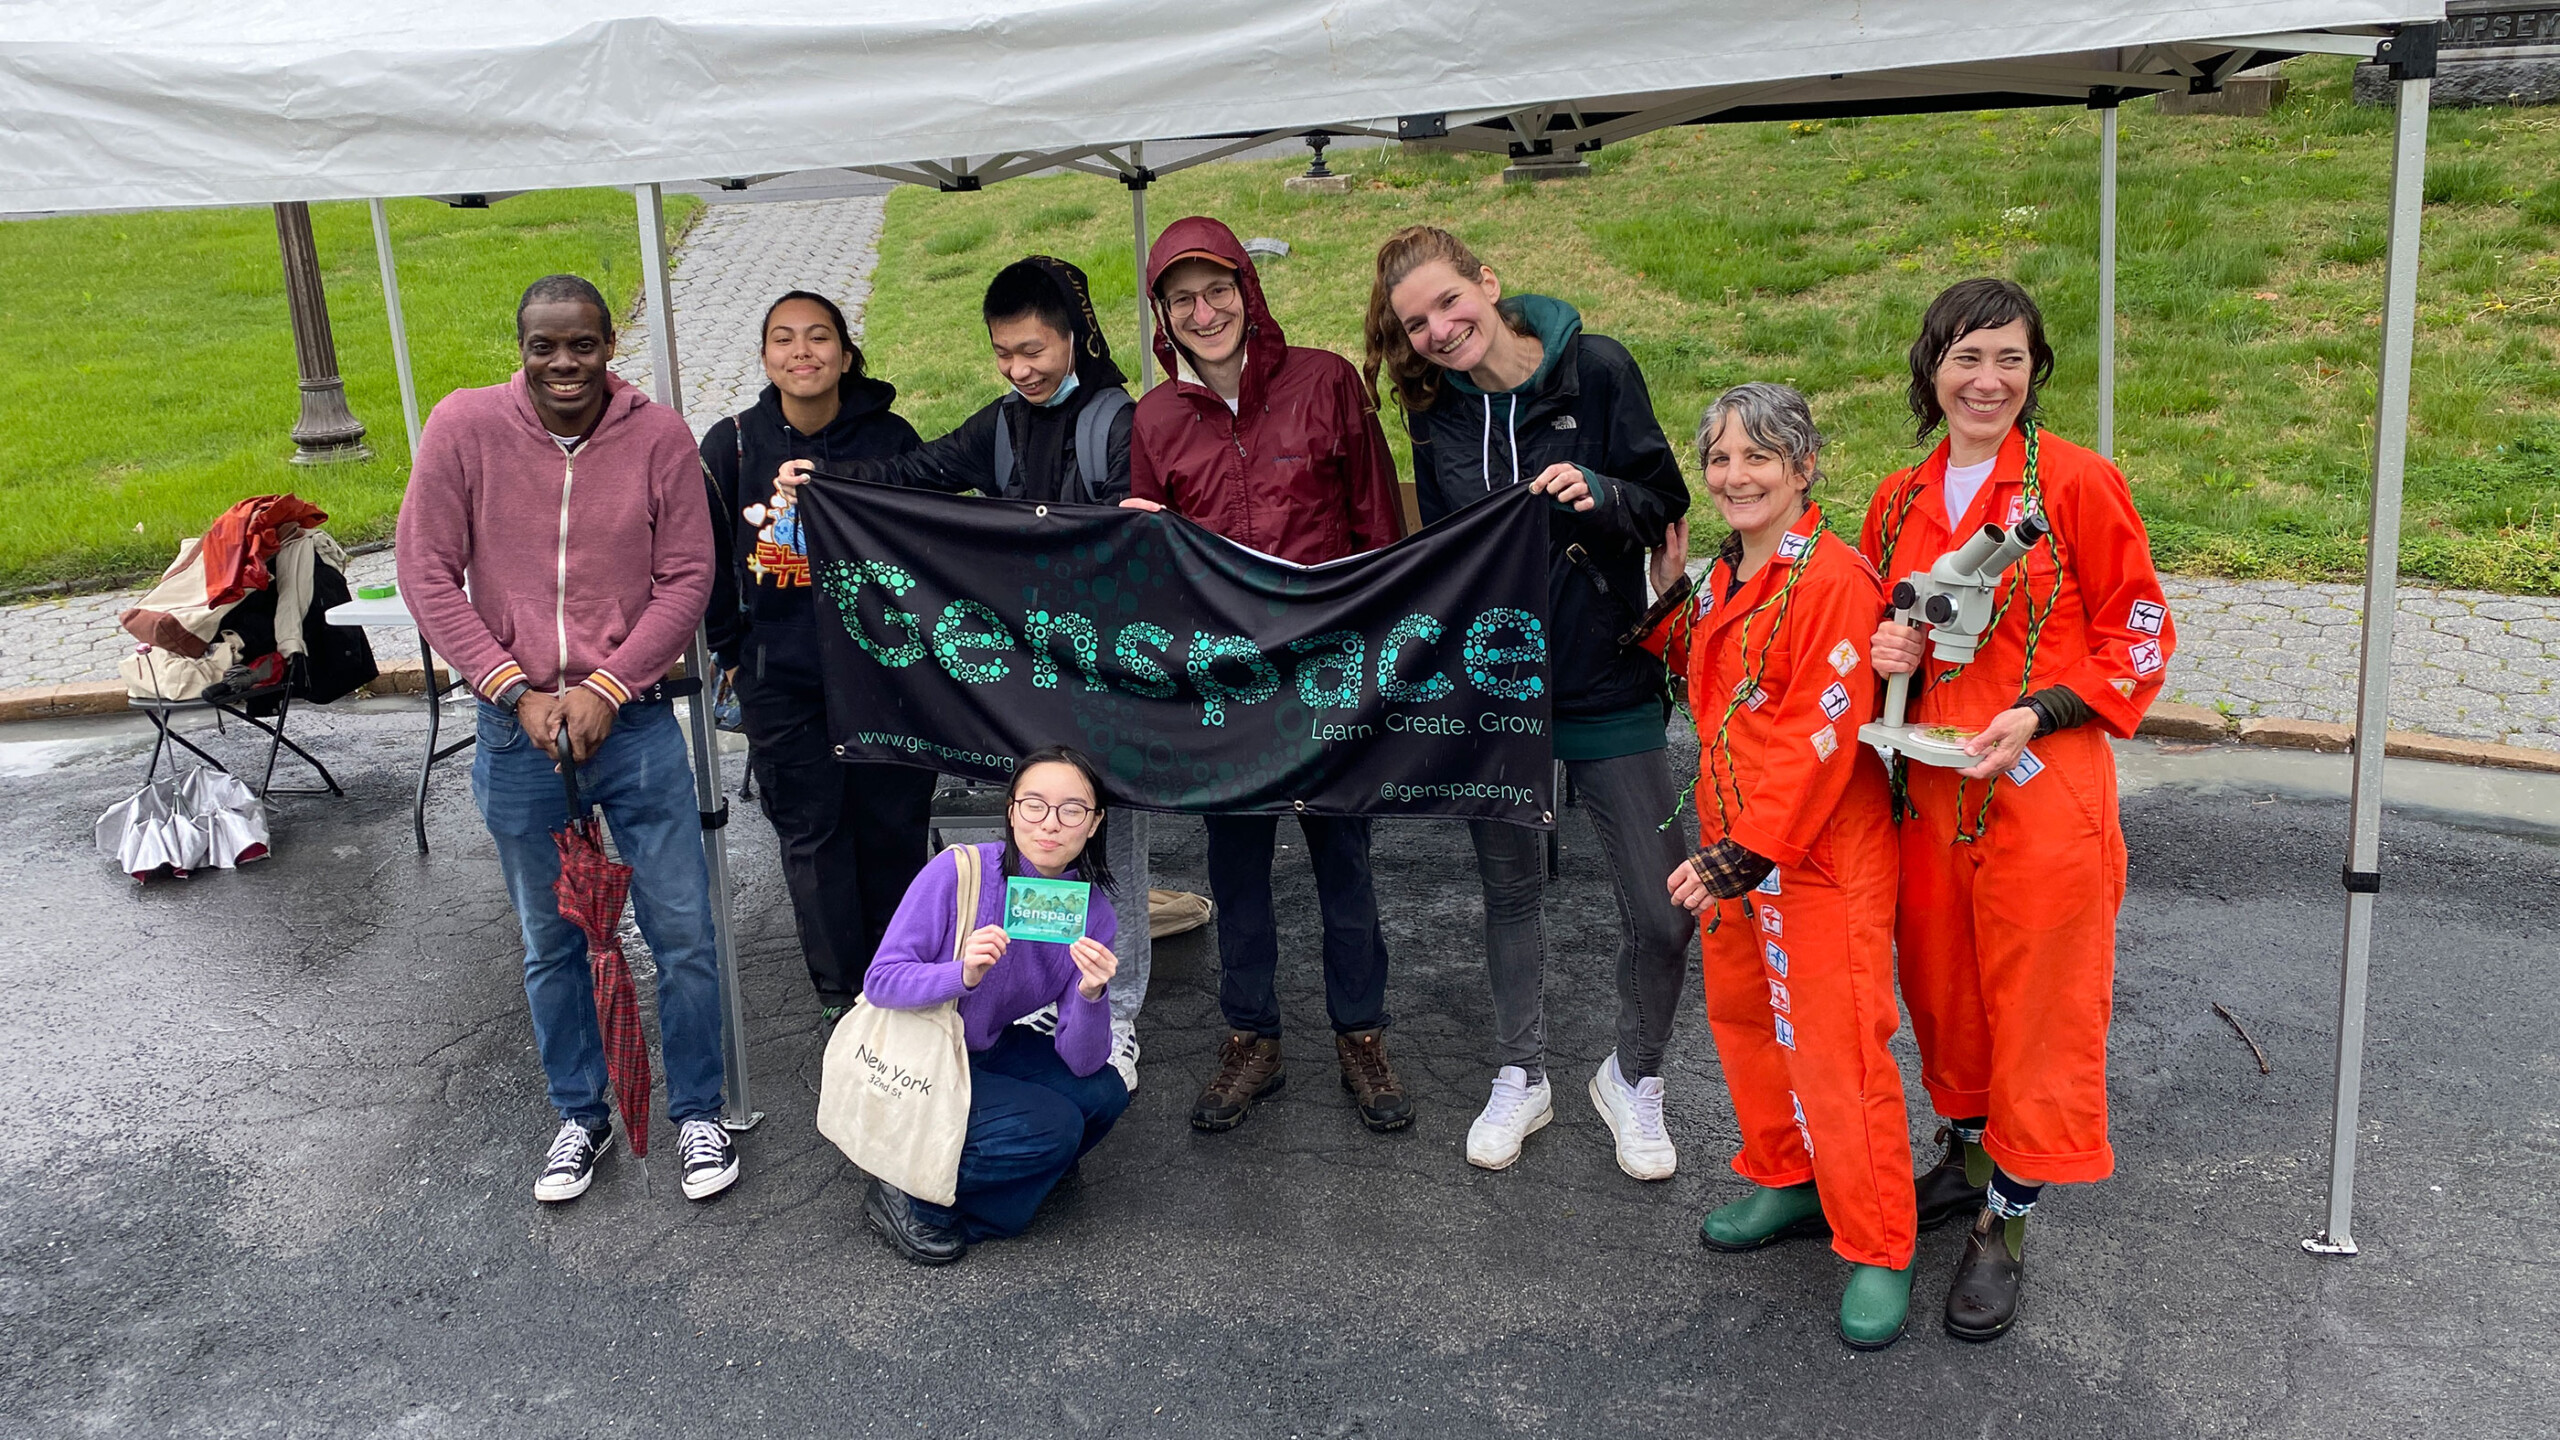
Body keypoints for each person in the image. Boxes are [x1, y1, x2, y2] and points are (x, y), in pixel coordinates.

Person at [1857, 278, 2175, 1342]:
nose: (1984, 379)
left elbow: (2137, 632)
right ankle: (1967, 1152)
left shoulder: (2077, 484)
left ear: (2034, 370)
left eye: (2006, 358)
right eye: (1963, 357)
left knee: (2039, 1003)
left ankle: (2010, 1218)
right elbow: (1882, 627)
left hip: (2044, 788)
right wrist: (1886, 651)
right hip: (1930, 786)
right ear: (1929, 371)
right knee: (1944, 989)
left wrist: (2038, 712)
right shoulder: (1899, 500)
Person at [396, 274, 739, 1206]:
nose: (563, 364)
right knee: (552, 942)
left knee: (683, 932)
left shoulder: (658, 436)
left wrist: (609, 684)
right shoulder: (462, 428)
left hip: (630, 729)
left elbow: (688, 576)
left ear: (608, 345)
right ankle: (579, 1119)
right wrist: (510, 687)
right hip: (517, 734)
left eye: (581, 344)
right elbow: (425, 572)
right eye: (544, 346)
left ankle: (698, 1113)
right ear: (521, 347)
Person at [1362, 225, 1694, 1177]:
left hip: (1606, 675)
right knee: (1509, 894)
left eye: (1447, 304)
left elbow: (1664, 504)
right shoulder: (1435, 411)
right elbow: (1449, 552)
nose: (1436, 329)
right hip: (1499, 690)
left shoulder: (1596, 368)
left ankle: (1634, 1076)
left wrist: (1595, 491)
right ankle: (1522, 1073)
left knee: (1665, 909)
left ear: (1488, 283)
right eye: (1414, 323)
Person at [776, 257, 1153, 1093]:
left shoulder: (1121, 424)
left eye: (1034, 350)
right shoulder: (1004, 424)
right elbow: (918, 475)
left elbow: (1158, 532)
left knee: (1107, 833)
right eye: (1003, 355)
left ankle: (1115, 1006)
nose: (1019, 370)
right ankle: (1046, 988)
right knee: (1039, 829)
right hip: (1031, 679)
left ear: (1075, 339)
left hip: (1106, 679)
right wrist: (826, 481)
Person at [1638, 383, 1916, 1350]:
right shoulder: (1729, 571)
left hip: (1811, 853)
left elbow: (1818, 731)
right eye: (1719, 458)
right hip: (1734, 847)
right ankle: (1785, 1176)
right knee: (1747, 1023)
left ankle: (1880, 1243)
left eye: (1759, 456)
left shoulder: (1833, 577)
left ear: (1805, 466)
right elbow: (1712, 672)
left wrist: (1749, 853)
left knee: (1836, 1049)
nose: (1735, 476)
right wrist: (1669, 595)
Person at [1121, 215, 1411, 1134]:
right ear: (1163, 317)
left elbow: (1377, 527)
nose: (1204, 312)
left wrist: (1380, 659)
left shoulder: (1325, 381)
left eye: (1218, 291)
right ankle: (1252, 1038)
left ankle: (1361, 1035)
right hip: (1227, 689)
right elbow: (1154, 562)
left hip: (1330, 674)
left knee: (1344, 860)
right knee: (1235, 862)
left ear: (1248, 290)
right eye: (1182, 299)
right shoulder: (1156, 418)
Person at [701, 290, 937, 1026]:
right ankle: (844, 997)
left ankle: (902, 981)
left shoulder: (891, 437)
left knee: (893, 828)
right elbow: (704, 559)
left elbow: (927, 546)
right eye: (784, 339)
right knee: (813, 833)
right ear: (765, 355)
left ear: (844, 350)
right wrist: (733, 653)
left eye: (819, 337)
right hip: (782, 676)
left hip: (888, 673)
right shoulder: (732, 443)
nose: (802, 352)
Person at [859, 746, 1131, 1265]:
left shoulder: (1090, 912)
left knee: (1104, 1093)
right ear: (1010, 810)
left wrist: (1091, 995)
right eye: (1034, 804)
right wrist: (958, 973)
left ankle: (1014, 1163)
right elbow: (881, 981)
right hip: (923, 1055)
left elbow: (1083, 1059)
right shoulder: (958, 873)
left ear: (1093, 824)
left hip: (985, 1048)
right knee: (1056, 1127)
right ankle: (909, 1191)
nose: (1050, 823)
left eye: (1072, 809)